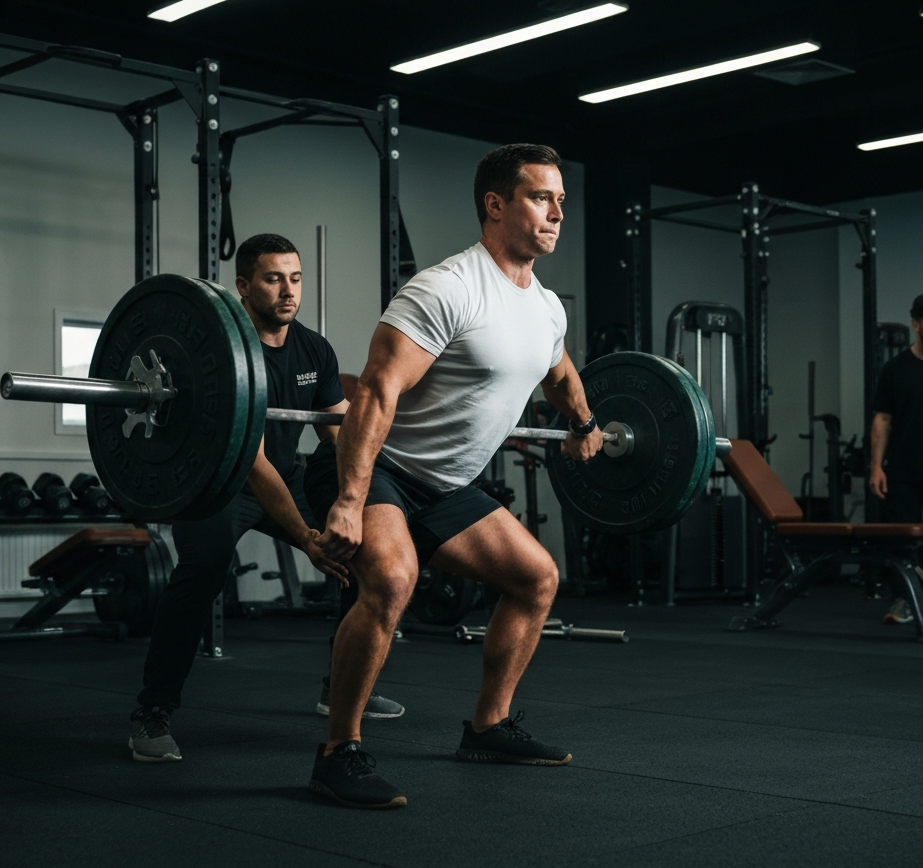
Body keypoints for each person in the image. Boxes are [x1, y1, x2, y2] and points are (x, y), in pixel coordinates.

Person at [303, 144, 605, 809]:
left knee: (537, 577)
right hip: (378, 466)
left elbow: (557, 371)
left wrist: (584, 421)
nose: (557, 213)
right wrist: (350, 501)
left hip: (442, 486)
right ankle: (338, 751)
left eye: (562, 200)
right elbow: (378, 390)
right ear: (495, 205)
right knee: (392, 579)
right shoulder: (448, 288)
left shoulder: (546, 307)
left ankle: (488, 727)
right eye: (539, 198)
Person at [129, 234, 405, 762]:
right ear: (243, 286)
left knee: (366, 548)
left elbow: (338, 431)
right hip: (220, 485)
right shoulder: (222, 353)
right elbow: (251, 463)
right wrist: (306, 538)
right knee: (201, 573)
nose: (287, 291)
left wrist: (362, 485)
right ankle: (152, 711)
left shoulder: (313, 349)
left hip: (289, 473)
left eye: (295, 279)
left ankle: (341, 686)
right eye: (273, 279)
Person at [870, 291, 923, 625]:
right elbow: (882, 420)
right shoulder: (896, 369)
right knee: (904, 541)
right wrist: (876, 466)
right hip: (904, 470)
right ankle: (905, 601)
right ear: (917, 324)